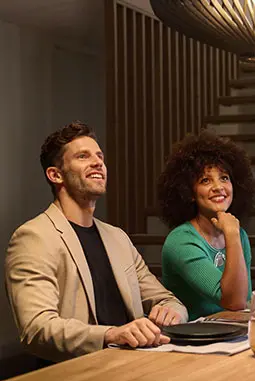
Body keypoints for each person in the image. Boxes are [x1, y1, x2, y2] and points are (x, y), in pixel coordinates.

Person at [4, 122, 188, 363]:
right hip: (77, 376)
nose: (97, 162)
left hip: (135, 366)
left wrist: (172, 312)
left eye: (99, 156)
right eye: (83, 156)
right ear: (55, 175)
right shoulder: (33, 238)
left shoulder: (117, 237)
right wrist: (112, 334)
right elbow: (37, 328)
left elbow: (168, 300)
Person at [158, 132, 255, 320]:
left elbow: (244, 301)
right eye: (205, 180)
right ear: (189, 193)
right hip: (190, 340)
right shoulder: (181, 241)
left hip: (230, 334)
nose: (218, 187)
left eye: (224, 178)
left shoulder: (238, 233)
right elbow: (234, 302)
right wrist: (232, 236)